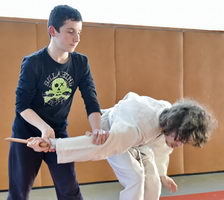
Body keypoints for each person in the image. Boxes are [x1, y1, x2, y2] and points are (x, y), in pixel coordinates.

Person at [27, 92, 216, 200]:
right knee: (135, 177)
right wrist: (53, 145)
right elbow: (98, 148)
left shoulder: (168, 118)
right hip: (111, 128)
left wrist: (161, 173)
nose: (179, 145)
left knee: (153, 182)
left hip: (140, 140)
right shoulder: (133, 128)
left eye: (184, 141)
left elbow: (161, 148)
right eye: (180, 139)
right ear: (173, 126)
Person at [7, 5, 109, 200]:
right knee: (19, 192)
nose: (76, 38)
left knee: (69, 189)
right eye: (70, 31)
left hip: (58, 133)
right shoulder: (33, 63)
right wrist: (43, 128)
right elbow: (22, 106)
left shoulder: (81, 63)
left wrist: (97, 128)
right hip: (27, 133)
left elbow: (91, 98)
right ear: (52, 31)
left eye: (79, 32)